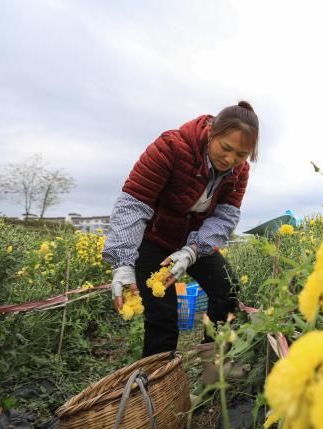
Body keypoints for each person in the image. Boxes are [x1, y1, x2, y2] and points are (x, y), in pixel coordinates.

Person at [102, 101, 258, 357]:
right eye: (226, 148)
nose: (230, 159)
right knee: (162, 313)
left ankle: (213, 364)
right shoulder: (171, 147)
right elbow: (134, 203)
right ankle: (158, 384)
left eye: (241, 155)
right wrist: (122, 262)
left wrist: (193, 251)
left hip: (194, 242)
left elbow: (225, 216)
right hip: (154, 239)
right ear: (211, 132)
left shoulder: (239, 171)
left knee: (226, 290)